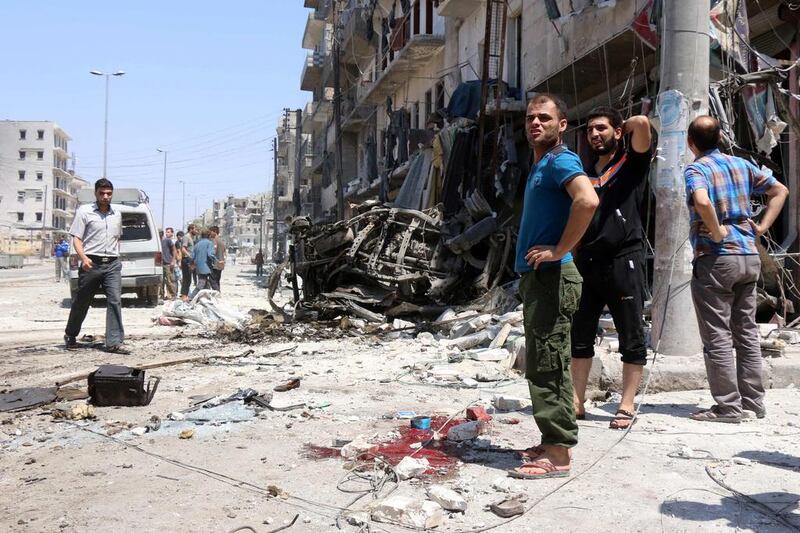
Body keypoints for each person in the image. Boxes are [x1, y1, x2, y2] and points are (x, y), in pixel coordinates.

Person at [509, 94, 599, 480]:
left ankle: (558, 455)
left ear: (562, 124)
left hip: (552, 277)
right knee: (546, 364)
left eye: (544, 118)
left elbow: (588, 200)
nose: (535, 123)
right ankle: (552, 441)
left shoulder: (561, 159)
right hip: (540, 279)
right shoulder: (541, 164)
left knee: (548, 366)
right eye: (530, 117)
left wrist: (559, 249)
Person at [685, 116, 788, 423]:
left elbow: (702, 200)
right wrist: (762, 227)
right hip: (748, 255)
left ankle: (728, 407)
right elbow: (780, 190)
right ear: (719, 139)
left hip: (716, 258)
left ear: (691, 143)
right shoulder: (741, 165)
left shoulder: (696, 168)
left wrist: (716, 231)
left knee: (716, 334)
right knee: (746, 332)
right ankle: (754, 403)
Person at [570, 107, 652, 430]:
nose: (594, 134)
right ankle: (577, 401)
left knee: (631, 335)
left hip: (624, 260)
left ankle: (627, 404)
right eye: (590, 129)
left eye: (602, 128)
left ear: (617, 133)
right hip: (588, 262)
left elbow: (643, 125)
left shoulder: (631, 164)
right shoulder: (584, 173)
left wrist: (623, 125)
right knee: (580, 336)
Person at [64, 178, 127, 353]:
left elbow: (117, 238)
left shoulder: (117, 214)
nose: (106, 197)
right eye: (102, 193)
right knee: (82, 301)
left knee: (115, 300)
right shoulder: (85, 211)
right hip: (91, 263)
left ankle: (114, 342)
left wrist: (117, 257)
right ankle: (70, 334)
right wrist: (83, 258)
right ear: (96, 193)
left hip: (112, 264)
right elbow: (76, 237)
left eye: (109, 193)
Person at [188, 228, 219, 299]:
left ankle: (207, 298)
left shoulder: (197, 244)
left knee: (206, 283)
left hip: (198, 267)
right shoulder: (209, 243)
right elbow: (210, 254)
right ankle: (191, 297)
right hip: (206, 267)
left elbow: (192, 256)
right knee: (203, 283)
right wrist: (216, 261)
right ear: (209, 235)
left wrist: (191, 264)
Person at [180, 224, 198, 301]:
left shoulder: (191, 238)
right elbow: (183, 249)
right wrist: (190, 256)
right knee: (186, 279)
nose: (196, 231)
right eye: (195, 229)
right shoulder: (186, 237)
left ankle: (185, 295)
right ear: (191, 229)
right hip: (186, 260)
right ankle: (184, 296)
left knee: (189, 279)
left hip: (190, 260)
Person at [160, 227, 177, 300]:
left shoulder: (167, 240)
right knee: (161, 281)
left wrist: (173, 261)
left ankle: (173, 295)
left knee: (170, 280)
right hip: (160, 264)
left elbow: (174, 250)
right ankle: (162, 295)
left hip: (167, 263)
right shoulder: (157, 241)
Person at [209, 225, 226, 292]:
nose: (210, 233)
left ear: (215, 232)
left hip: (215, 264)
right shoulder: (221, 241)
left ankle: (217, 292)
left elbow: (213, 252)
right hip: (220, 264)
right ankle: (218, 292)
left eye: (211, 232)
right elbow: (224, 252)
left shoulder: (214, 241)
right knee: (217, 280)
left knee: (212, 280)